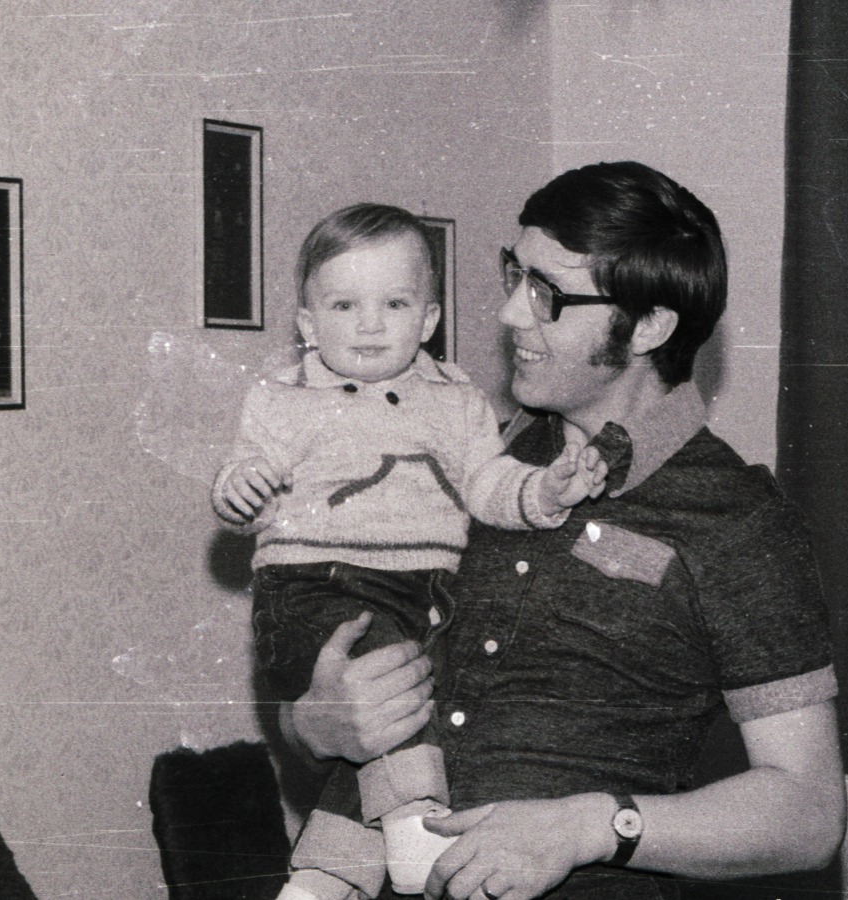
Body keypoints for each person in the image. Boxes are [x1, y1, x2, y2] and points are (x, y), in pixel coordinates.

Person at [277, 163, 845, 900]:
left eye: (547, 293)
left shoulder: (738, 522)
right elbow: (335, 675)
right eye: (515, 274)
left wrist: (590, 827)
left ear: (649, 326)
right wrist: (315, 724)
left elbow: (807, 813)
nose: (512, 312)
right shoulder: (467, 457)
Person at [212, 203, 607, 900]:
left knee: (417, 708)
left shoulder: (455, 400)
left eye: (394, 303)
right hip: (315, 585)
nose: (370, 324)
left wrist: (546, 491)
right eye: (343, 304)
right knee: (391, 678)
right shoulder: (281, 396)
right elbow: (245, 477)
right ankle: (415, 822)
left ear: (428, 320)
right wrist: (239, 491)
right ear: (307, 326)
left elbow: (489, 485)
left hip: (424, 590)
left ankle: (322, 880)